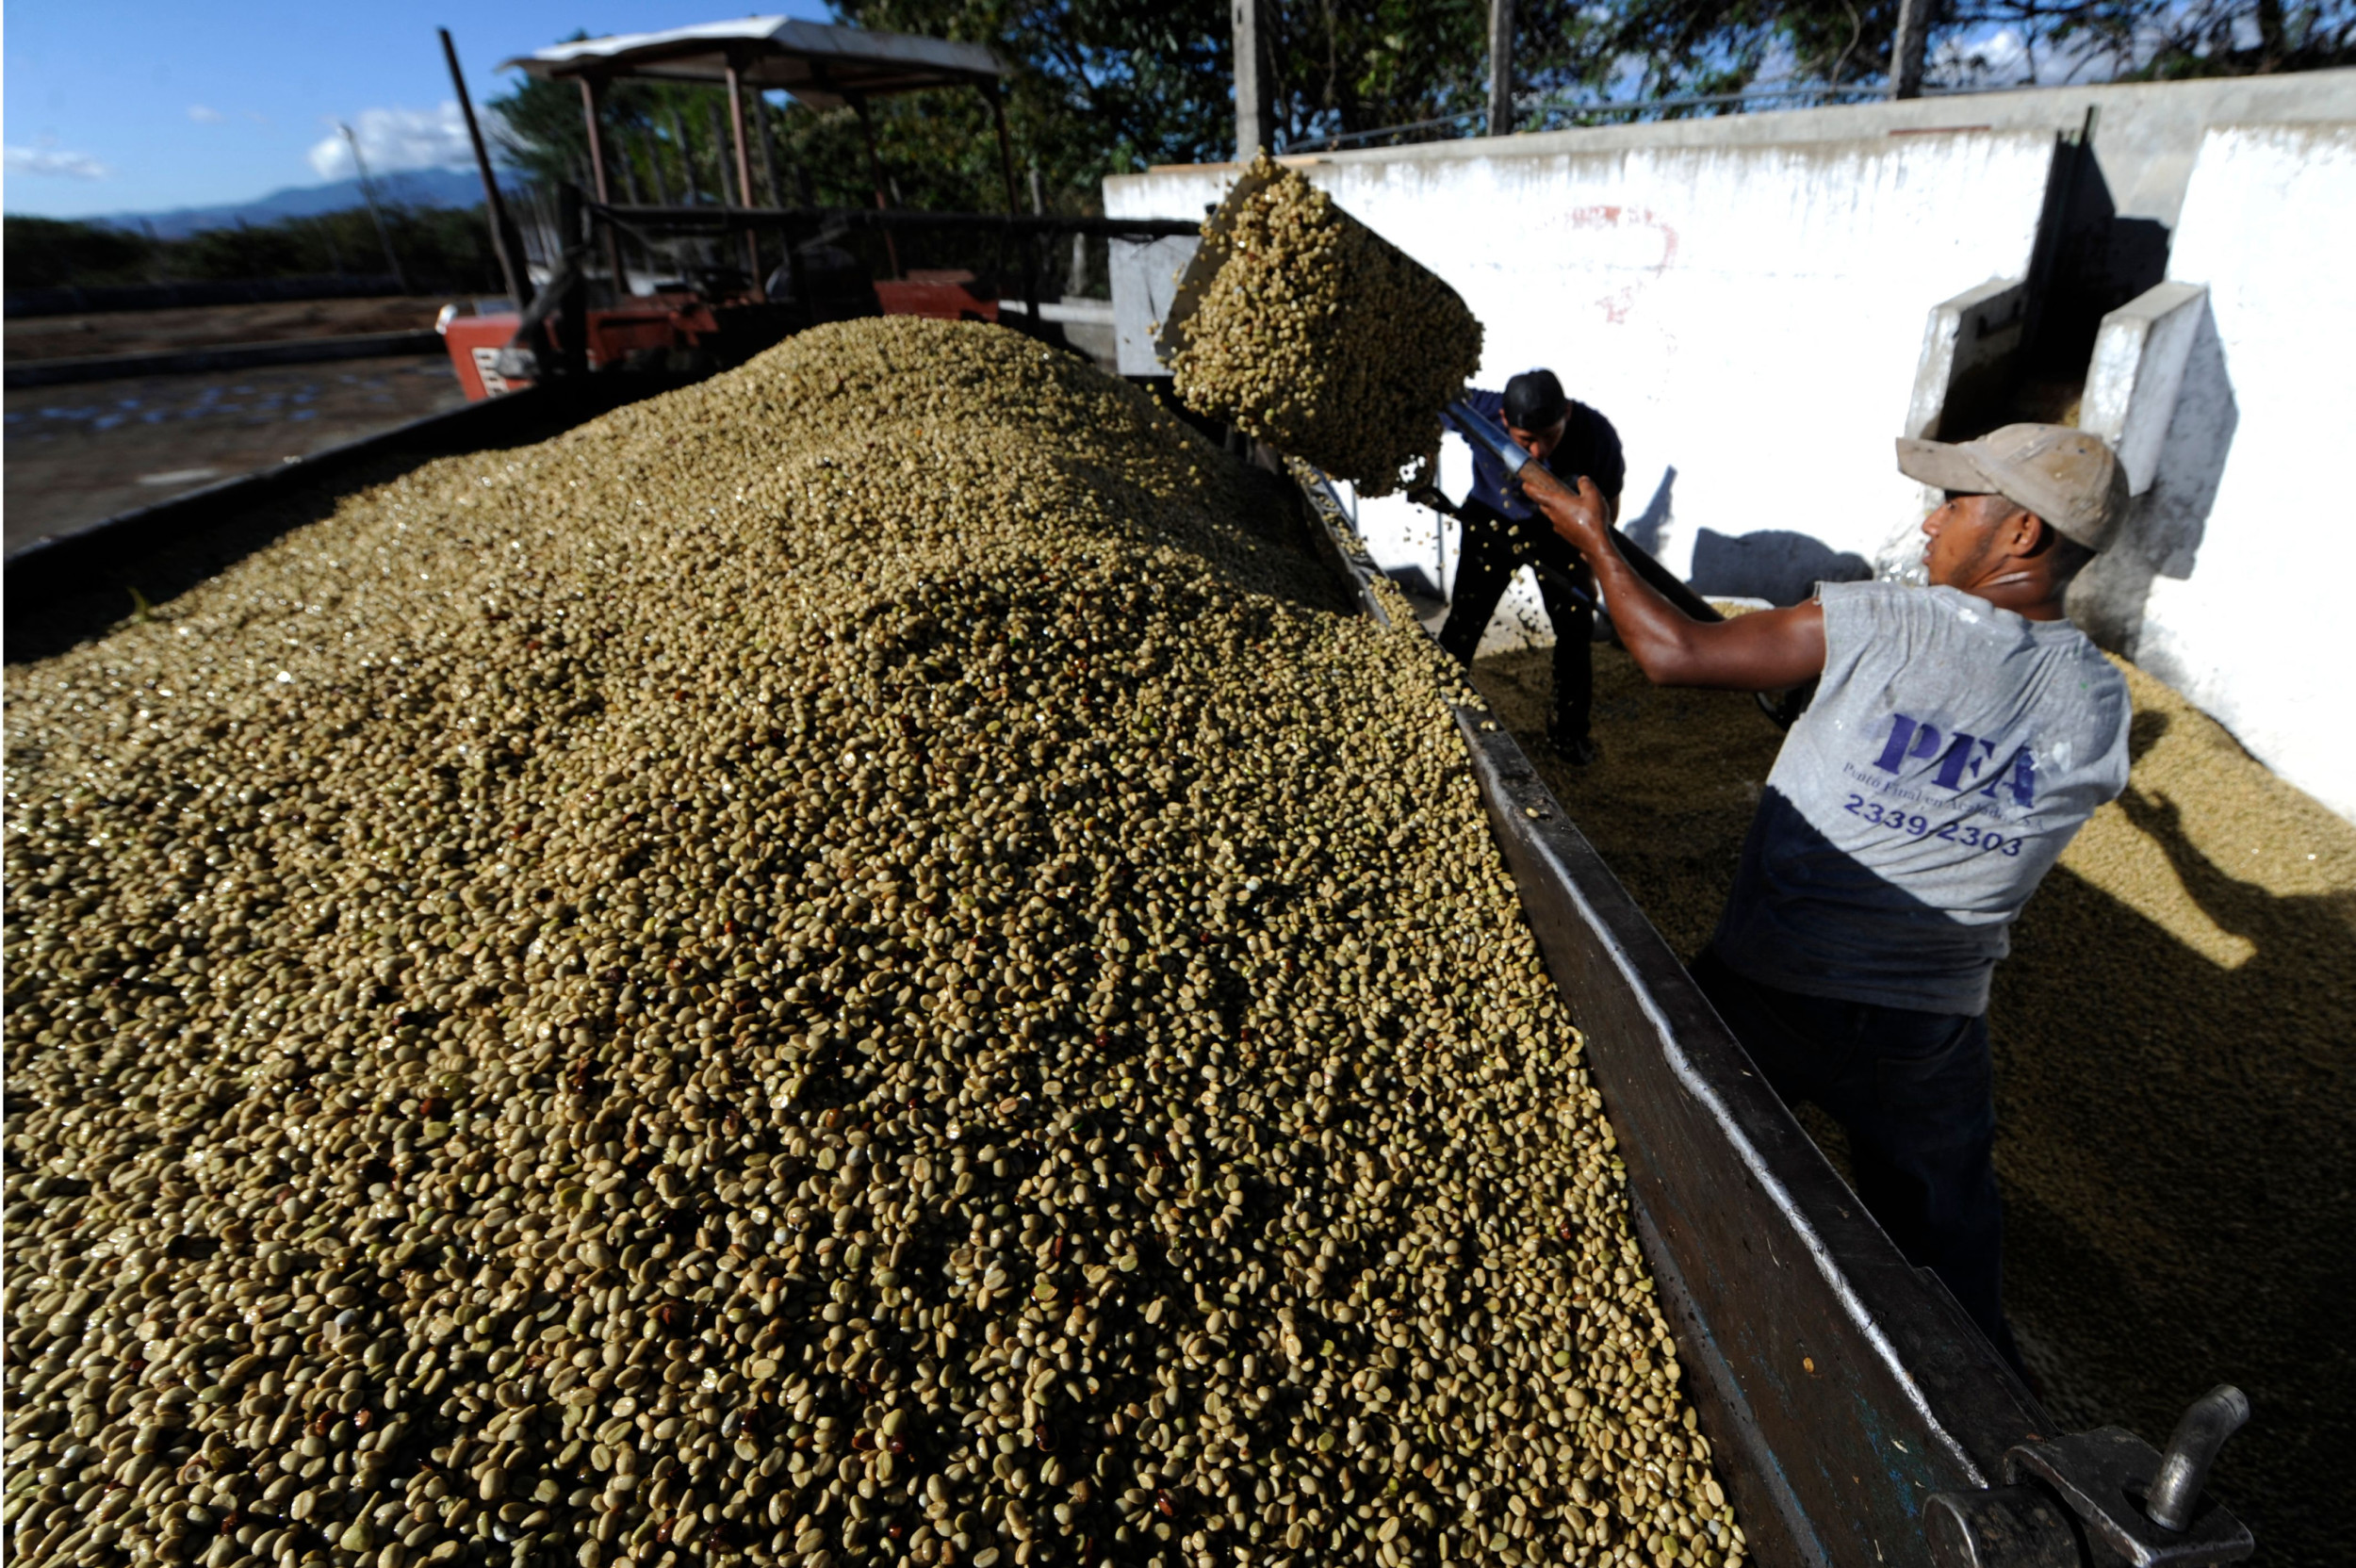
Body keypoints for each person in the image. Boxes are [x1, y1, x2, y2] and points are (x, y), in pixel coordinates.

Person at [1513, 422, 2134, 1375]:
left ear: (2022, 536)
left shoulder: (1887, 621)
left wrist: (1591, 535)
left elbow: (1673, 652)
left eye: (1958, 504)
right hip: (1930, 1032)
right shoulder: (2100, 701)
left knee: (1641, 1157)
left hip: (1767, 994)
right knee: (1957, 1274)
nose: (1931, 522)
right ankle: (1994, 1420)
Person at [1432, 369, 1626, 764]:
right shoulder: (1479, 412)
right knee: (1464, 624)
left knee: (1575, 629)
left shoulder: (1596, 435)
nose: (1537, 454)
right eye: (1525, 442)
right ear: (1505, 419)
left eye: (1549, 437)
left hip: (1559, 535)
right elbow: (1429, 408)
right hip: (1490, 523)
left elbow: (1608, 512)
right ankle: (1436, 714)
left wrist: (1593, 566)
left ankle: (1569, 734)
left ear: (1567, 414)